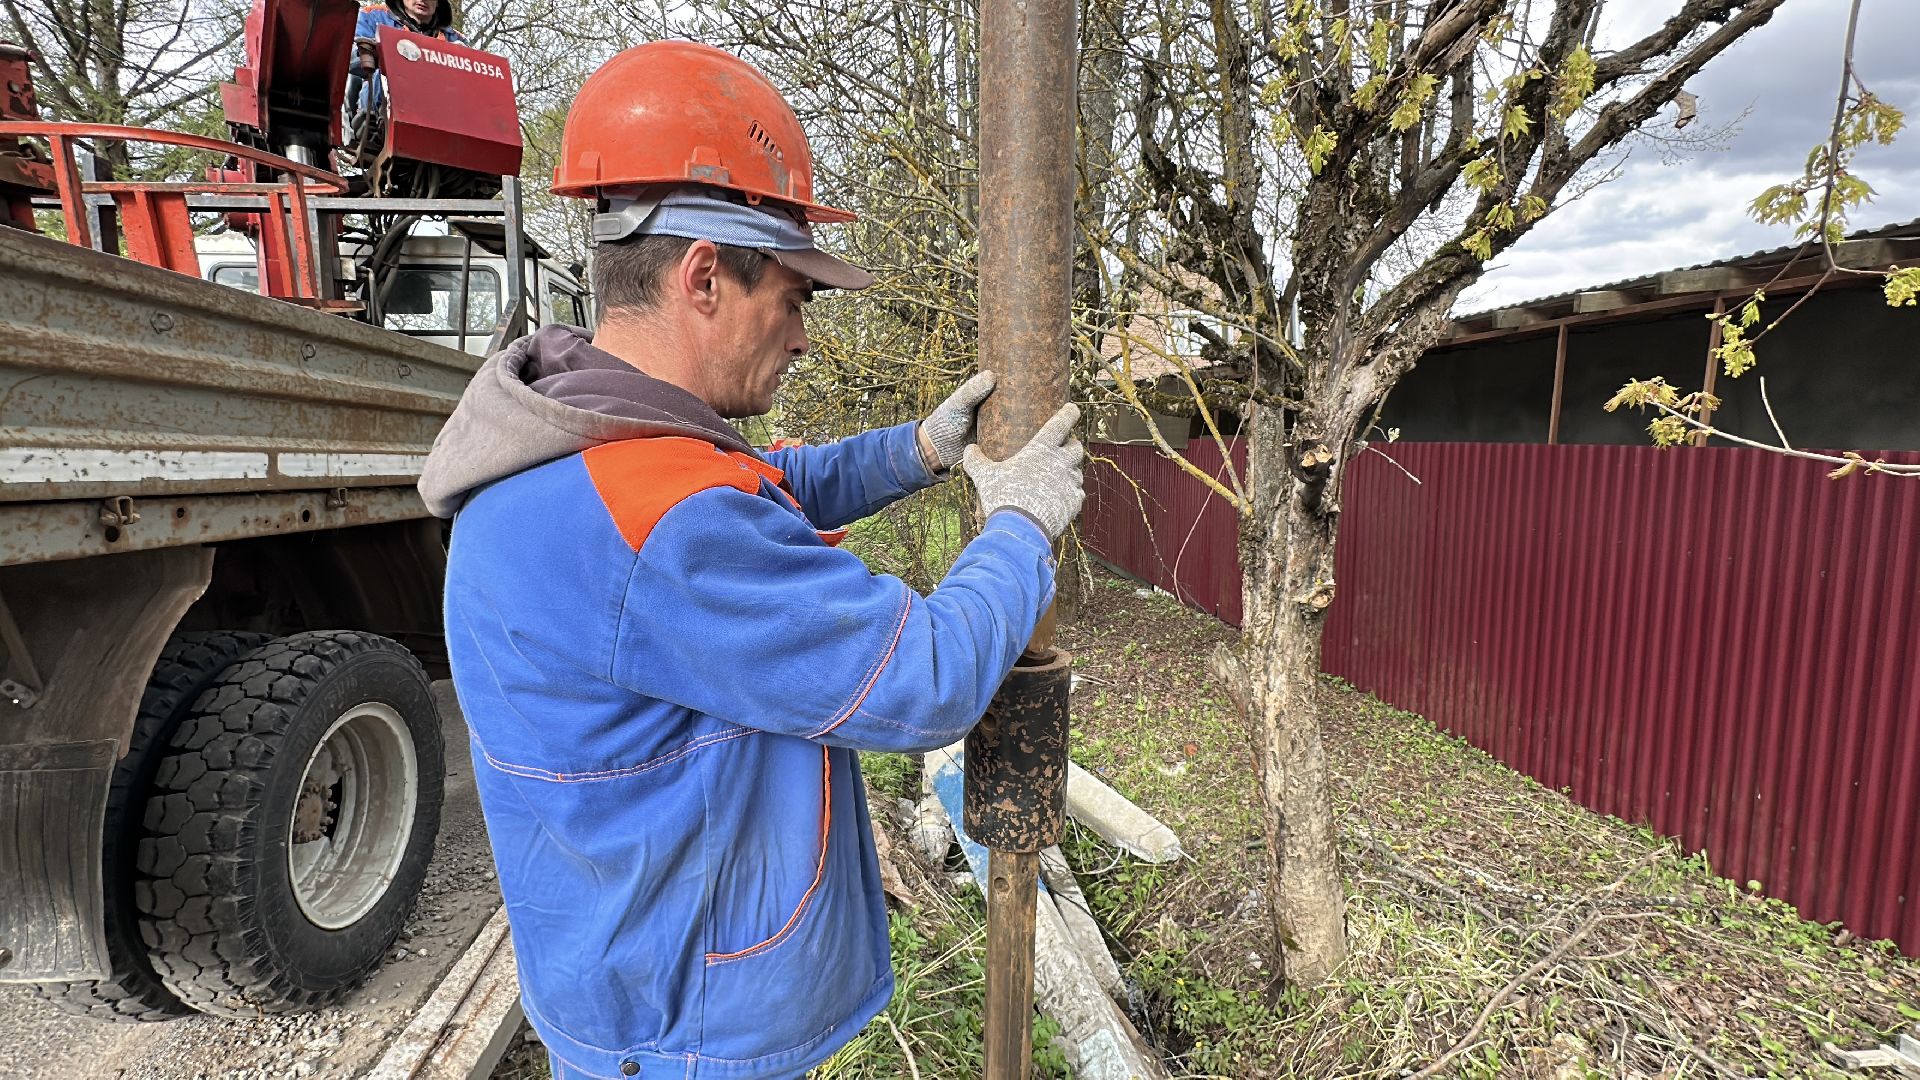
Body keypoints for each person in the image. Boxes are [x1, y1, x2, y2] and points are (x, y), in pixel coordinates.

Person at [417, 40, 1084, 1080]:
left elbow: (759, 484)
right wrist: (1022, 531)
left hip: (625, 984)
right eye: (795, 297)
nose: (807, 337)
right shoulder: (664, 520)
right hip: (692, 1036)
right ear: (704, 278)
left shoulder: (576, 448)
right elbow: (923, 678)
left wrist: (917, 452)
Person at [347, 0, 465, 119]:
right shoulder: (371, 17)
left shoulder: (456, 40)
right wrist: (380, 54)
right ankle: (373, 125)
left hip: (437, 108)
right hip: (382, 105)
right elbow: (350, 59)